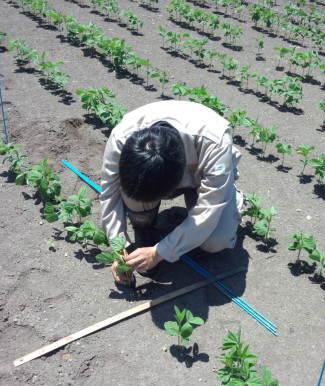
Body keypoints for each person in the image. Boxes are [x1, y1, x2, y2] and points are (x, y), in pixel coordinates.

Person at [99, 100, 243, 284]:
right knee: (131, 197)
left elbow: (210, 208)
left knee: (216, 241)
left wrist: (160, 252)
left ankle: (233, 199)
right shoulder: (121, 139)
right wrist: (119, 249)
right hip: (166, 173)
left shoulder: (214, 141)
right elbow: (110, 195)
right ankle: (143, 227)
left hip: (203, 179)